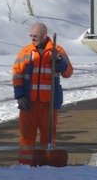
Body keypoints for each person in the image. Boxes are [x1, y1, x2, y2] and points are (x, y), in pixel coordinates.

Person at [12, 22, 73, 165]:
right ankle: (25, 164)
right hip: (29, 102)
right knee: (27, 136)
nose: (32, 39)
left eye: (35, 36)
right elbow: (17, 75)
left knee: (48, 137)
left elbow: (68, 72)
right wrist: (20, 96)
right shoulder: (26, 52)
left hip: (49, 103)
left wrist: (58, 61)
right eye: (31, 36)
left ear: (44, 36)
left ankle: (47, 162)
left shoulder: (57, 50)